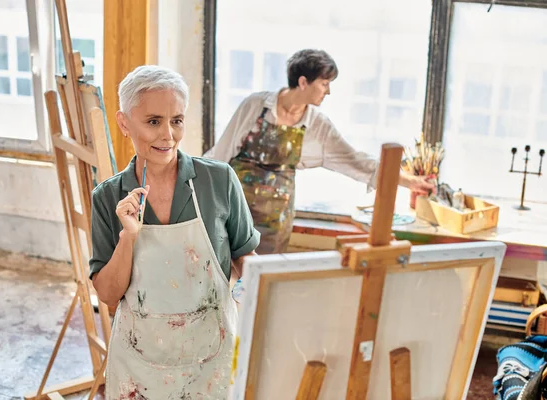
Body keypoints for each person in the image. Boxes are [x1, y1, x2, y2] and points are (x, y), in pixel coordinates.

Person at [89, 65, 260, 399]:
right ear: (125, 123)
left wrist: (254, 290)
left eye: (176, 120)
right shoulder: (109, 196)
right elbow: (109, 295)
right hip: (140, 365)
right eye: (153, 121)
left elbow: (245, 257)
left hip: (213, 358)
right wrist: (128, 236)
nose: (168, 134)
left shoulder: (219, 181)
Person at [205, 49, 435, 255]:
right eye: (324, 84)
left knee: (256, 288)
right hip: (234, 212)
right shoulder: (255, 105)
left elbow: (355, 160)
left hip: (274, 224)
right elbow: (220, 155)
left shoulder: (317, 125)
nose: (328, 91)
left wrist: (409, 181)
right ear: (304, 82)